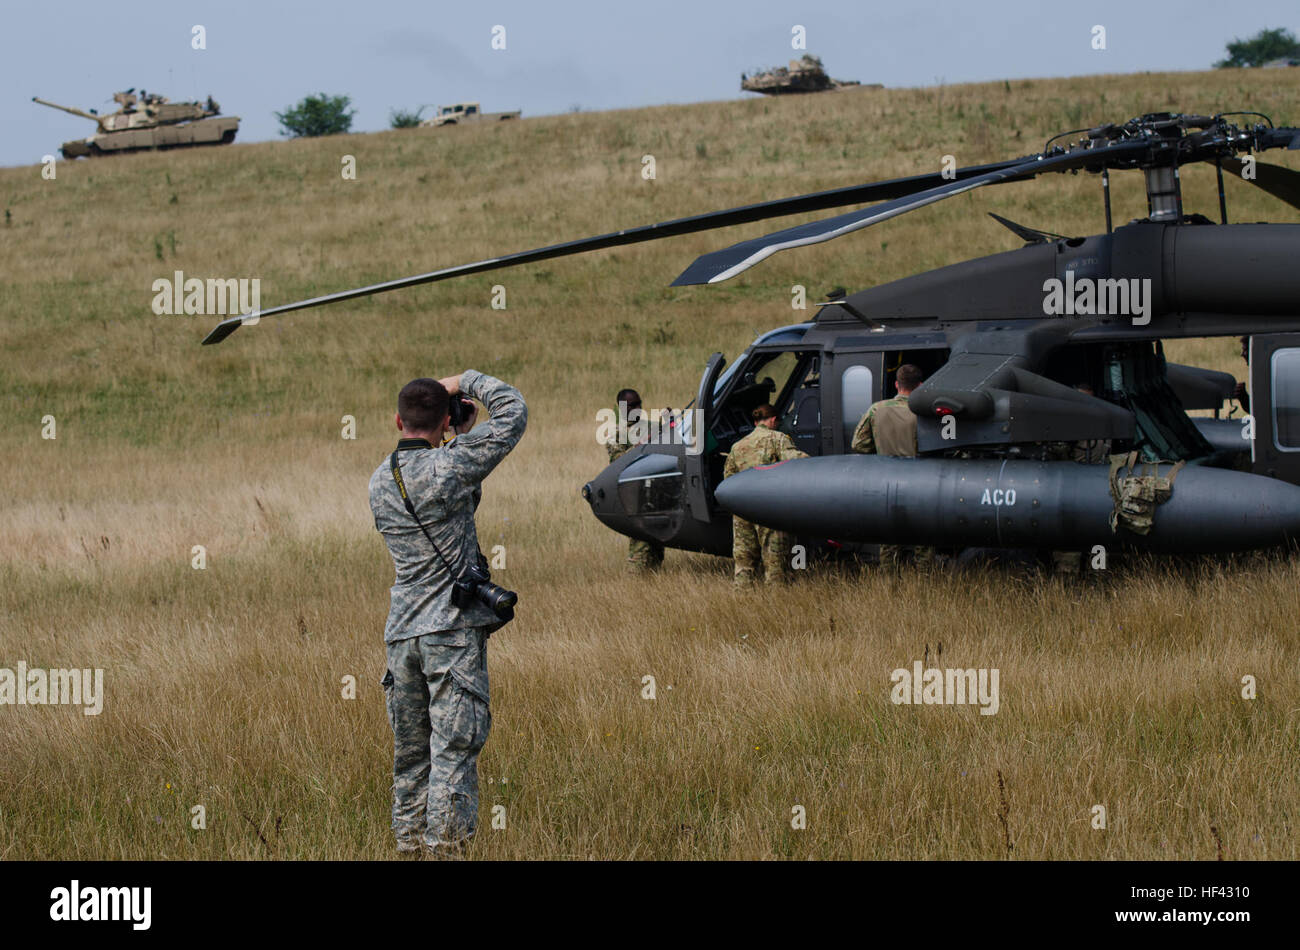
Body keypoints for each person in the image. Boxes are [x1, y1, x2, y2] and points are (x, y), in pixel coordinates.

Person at [368, 371, 527, 857]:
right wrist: (465, 380)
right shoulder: (450, 466)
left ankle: (410, 849)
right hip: (450, 634)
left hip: (401, 637)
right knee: (454, 755)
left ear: (398, 421)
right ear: (444, 419)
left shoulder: (379, 480)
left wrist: (453, 436)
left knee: (411, 761)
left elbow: (455, 506)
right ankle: (447, 852)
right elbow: (513, 412)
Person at [851, 363, 932, 567]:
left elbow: (858, 445)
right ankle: (925, 586)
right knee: (923, 542)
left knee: (888, 544)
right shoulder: (924, 413)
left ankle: (889, 589)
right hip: (918, 485)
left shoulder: (877, 409)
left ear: (896, 384)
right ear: (920, 385)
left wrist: (880, 453)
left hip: (885, 485)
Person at [722, 403, 809, 586]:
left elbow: (728, 479)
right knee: (776, 564)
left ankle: (741, 602)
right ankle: (776, 606)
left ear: (755, 422)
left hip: (742, 510)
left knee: (744, 564)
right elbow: (798, 463)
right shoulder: (778, 439)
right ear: (773, 420)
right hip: (769, 509)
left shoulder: (738, 446)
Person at [605, 387, 665, 572]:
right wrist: (642, 445)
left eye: (639, 403)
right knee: (640, 543)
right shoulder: (616, 434)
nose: (638, 408)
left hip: (655, 491)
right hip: (634, 493)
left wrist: (669, 423)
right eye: (633, 405)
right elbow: (618, 461)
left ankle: (653, 579)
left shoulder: (651, 426)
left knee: (657, 544)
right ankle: (636, 578)